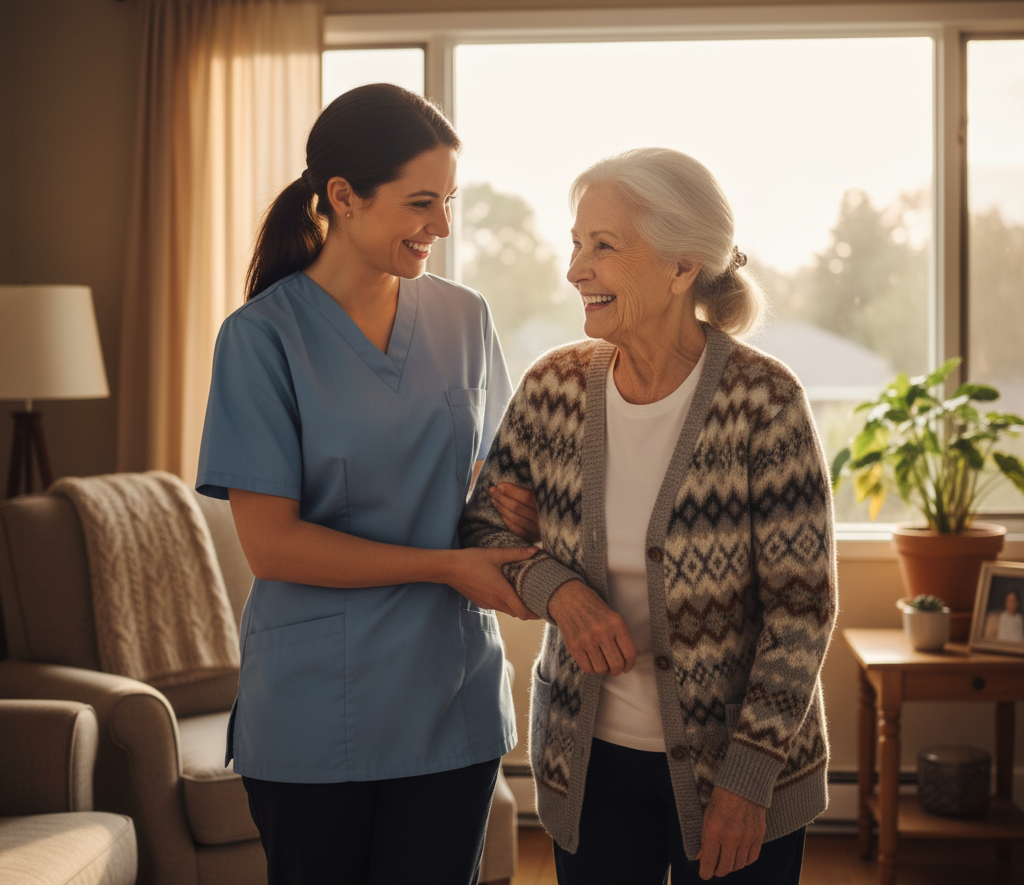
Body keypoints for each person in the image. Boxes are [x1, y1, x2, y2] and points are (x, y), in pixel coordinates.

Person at [461, 148, 838, 884]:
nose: (575, 270)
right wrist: (558, 589)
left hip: (737, 771)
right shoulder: (554, 387)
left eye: (603, 246)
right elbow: (482, 529)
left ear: (681, 266)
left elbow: (802, 609)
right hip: (587, 762)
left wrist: (747, 778)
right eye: (576, 243)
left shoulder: (764, 401)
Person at [196, 83, 537, 885]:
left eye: (449, 201)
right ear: (343, 197)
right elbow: (272, 546)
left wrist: (517, 506)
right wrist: (447, 567)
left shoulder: (464, 319)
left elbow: (498, 477)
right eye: (422, 202)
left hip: (451, 695)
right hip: (318, 708)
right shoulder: (260, 340)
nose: (443, 227)